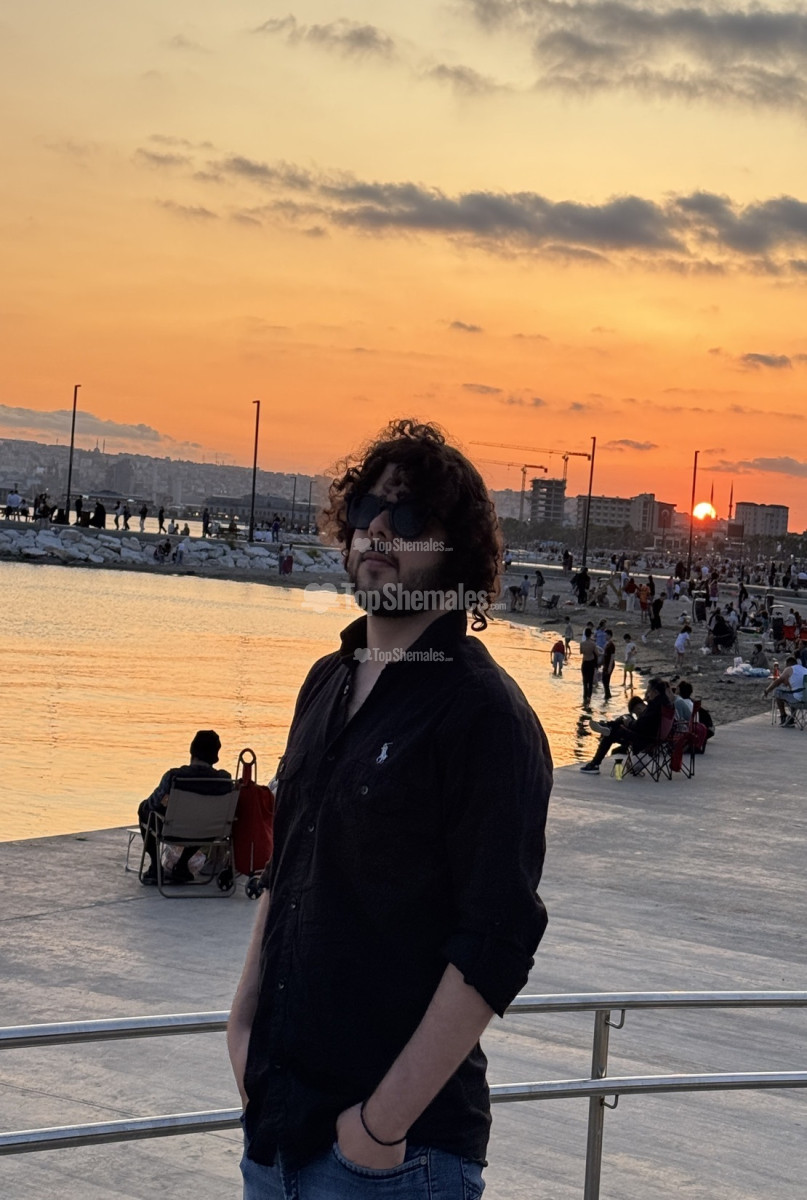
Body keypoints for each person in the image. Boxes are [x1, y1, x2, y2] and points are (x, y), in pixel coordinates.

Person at [227, 418, 552, 1199]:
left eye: (408, 516)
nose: (379, 528)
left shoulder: (482, 714)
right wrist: (241, 1030)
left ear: (455, 552)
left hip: (394, 1163)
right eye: (367, 508)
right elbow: (289, 866)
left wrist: (378, 1128)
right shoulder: (325, 682)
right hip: (276, 1131)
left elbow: (497, 938)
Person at [137, 730, 232, 885]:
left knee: (144, 809)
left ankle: (155, 866)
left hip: (174, 831)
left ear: (192, 750)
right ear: (215, 756)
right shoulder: (225, 780)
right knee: (206, 819)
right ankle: (182, 865)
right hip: (207, 832)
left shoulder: (175, 776)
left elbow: (153, 803)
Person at [580, 677, 671, 773]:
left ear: (655, 692)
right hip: (651, 737)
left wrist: (629, 723)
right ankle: (606, 726)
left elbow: (640, 726)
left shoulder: (655, 706)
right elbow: (646, 724)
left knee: (612, 733)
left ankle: (595, 763)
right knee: (625, 718)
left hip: (644, 739)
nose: (648, 693)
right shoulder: (665, 704)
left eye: (649, 691)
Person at [763, 655, 807, 727]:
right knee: (793, 693)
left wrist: (767, 691)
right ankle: (792, 718)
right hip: (806, 702)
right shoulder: (805, 669)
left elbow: (777, 682)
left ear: (788, 664)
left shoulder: (789, 669)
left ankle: (783, 716)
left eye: (786, 665)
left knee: (777, 691)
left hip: (798, 701)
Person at [579, 627, 599, 706]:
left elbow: (581, 652)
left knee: (585, 681)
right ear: (590, 634)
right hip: (591, 663)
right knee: (590, 682)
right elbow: (597, 653)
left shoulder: (582, 643)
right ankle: (589, 698)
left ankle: (584, 697)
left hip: (584, 662)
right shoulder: (593, 644)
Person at [600, 629, 616, 700]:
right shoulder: (607, 644)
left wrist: (609, 667)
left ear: (609, 635)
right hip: (605, 664)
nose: (605, 636)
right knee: (604, 680)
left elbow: (612, 656)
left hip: (609, 664)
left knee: (606, 680)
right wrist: (601, 663)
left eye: (606, 635)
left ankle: (607, 695)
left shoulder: (611, 645)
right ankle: (607, 695)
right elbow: (604, 654)